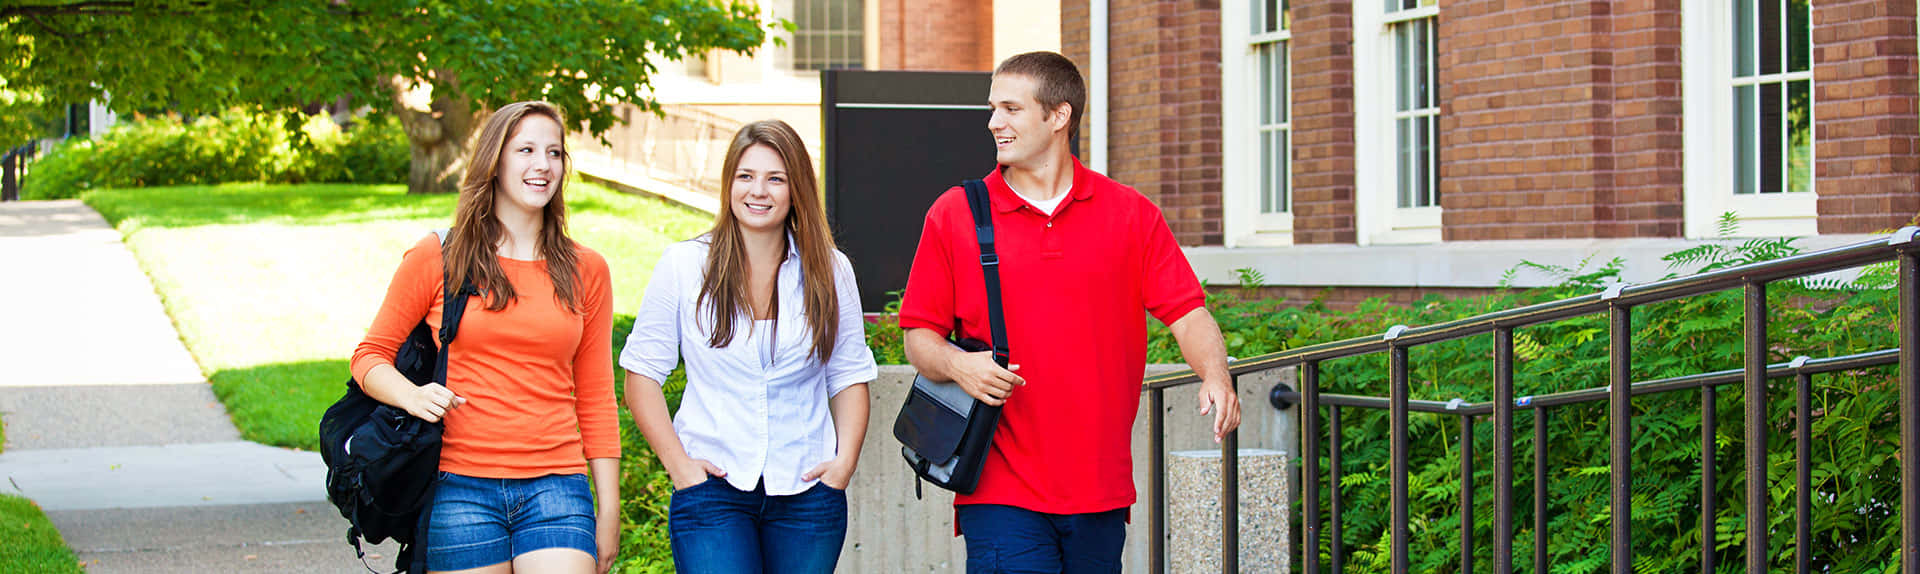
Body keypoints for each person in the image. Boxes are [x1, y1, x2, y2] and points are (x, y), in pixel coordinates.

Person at [899, 51, 1243, 573]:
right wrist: (959, 365)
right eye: (993, 108)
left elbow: (1187, 312)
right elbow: (919, 337)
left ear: (1059, 116)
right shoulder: (955, 213)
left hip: (1100, 490)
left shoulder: (1129, 214)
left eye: (1011, 108)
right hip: (999, 486)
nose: (995, 122)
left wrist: (1215, 375)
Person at [351, 101, 620, 574]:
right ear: (494, 161)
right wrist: (412, 396)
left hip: (557, 486)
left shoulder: (587, 269)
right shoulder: (439, 256)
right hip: (460, 486)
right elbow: (369, 356)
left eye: (554, 153)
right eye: (527, 150)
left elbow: (596, 396)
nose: (543, 165)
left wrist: (610, 509)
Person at [619, 119, 877, 574]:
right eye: (746, 176)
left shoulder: (831, 270)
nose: (759, 191)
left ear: (796, 189)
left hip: (808, 492)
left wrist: (843, 466)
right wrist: (681, 468)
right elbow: (641, 374)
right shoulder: (684, 265)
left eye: (775, 178)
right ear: (729, 184)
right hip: (711, 489)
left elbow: (849, 373)